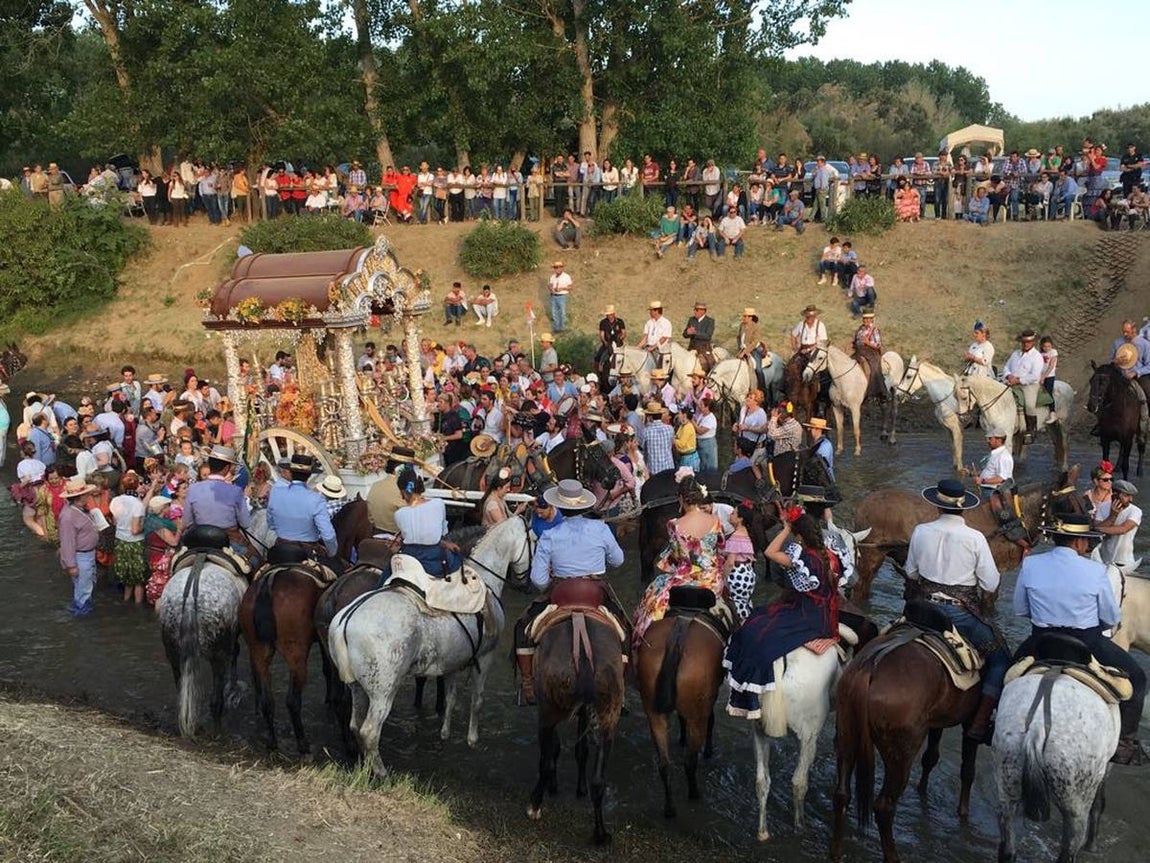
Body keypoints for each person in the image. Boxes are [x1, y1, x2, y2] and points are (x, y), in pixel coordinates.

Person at [1013, 513, 1146, 765]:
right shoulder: (1096, 570)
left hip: (1041, 641)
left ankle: (990, 721)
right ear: (1077, 543)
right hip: (1086, 643)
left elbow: (1020, 610)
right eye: (1085, 541)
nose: (1087, 545)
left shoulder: (1031, 564)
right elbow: (1110, 617)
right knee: (1138, 679)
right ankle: (1124, 744)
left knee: (1002, 673)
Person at [904, 478, 1009, 742]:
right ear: (963, 508)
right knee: (1000, 660)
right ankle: (980, 722)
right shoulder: (975, 538)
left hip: (922, 611)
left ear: (937, 505)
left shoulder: (920, 531)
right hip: (959, 616)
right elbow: (991, 583)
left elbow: (911, 573)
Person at [514, 479, 625, 704]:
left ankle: (527, 684)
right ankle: (620, 689)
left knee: (522, 628)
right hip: (595, 596)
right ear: (583, 504)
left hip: (561, 597)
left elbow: (538, 581)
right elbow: (619, 560)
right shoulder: (601, 528)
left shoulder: (549, 535)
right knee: (626, 632)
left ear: (560, 506)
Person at [723, 504, 839, 719]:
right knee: (759, 618)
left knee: (756, 630)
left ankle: (749, 692)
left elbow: (769, 552)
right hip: (818, 613)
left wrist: (785, 529)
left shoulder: (803, 559)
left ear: (800, 537)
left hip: (806, 614)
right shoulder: (827, 554)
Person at [633, 475, 726, 648]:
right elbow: (720, 547)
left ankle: (639, 644)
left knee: (650, 602)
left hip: (684, 578)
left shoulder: (674, 524)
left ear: (681, 498)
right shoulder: (715, 520)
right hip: (711, 580)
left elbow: (675, 557)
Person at [390, 467, 459, 577]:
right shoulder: (438, 503)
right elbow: (440, 535)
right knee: (459, 561)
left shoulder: (399, 514)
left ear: (403, 492)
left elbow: (409, 537)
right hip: (435, 559)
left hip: (410, 559)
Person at [266, 454, 337, 559]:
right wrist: (332, 553)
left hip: (280, 549)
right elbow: (328, 535)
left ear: (291, 473)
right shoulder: (316, 499)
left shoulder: (276, 493)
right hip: (307, 552)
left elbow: (271, 524)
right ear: (309, 476)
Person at [183, 445, 251, 555]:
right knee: (255, 561)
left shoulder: (193, 488)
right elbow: (245, 523)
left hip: (200, 539)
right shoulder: (235, 491)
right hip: (228, 541)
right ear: (226, 468)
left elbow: (187, 522)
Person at [57, 478, 101, 616]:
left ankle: (81, 610)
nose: (89, 496)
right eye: (86, 494)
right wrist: (71, 565)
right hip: (81, 556)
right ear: (80, 496)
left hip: (87, 554)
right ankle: (82, 614)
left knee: (86, 586)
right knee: (83, 589)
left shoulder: (78, 510)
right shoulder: (69, 516)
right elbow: (67, 542)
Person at [110, 472, 149, 603]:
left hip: (120, 541)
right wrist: (145, 524)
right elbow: (135, 530)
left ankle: (126, 602)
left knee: (127, 579)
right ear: (137, 485)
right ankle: (138, 609)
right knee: (138, 580)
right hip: (135, 543)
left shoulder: (115, 501)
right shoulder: (137, 504)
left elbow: (115, 522)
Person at [1002, 329, 1044, 442]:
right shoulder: (1015, 354)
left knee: (1029, 404)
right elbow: (1006, 367)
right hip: (1012, 382)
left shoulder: (1037, 356)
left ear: (1033, 342)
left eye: (1028, 342)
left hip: (1028, 385)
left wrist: (1019, 380)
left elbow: (1034, 375)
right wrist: (1009, 376)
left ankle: (1031, 430)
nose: (1026, 344)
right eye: (1024, 342)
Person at [1095, 479, 1141, 570]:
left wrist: (1097, 529)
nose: (1130, 499)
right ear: (1115, 494)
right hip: (1103, 559)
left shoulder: (1135, 511)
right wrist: (1112, 516)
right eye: (1126, 496)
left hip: (1124, 562)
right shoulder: (1102, 506)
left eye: (1131, 496)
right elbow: (1097, 529)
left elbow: (1123, 529)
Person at [736, 307, 767, 393]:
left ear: (750, 317)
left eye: (746, 316)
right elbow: (739, 337)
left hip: (754, 350)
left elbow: (754, 341)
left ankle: (762, 388)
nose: (744, 318)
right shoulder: (742, 325)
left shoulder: (755, 326)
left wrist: (746, 351)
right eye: (744, 316)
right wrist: (740, 349)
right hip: (742, 349)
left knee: (758, 369)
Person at [638, 300, 672, 369]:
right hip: (648, 347)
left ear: (656, 311)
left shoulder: (666, 323)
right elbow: (645, 337)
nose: (650, 313)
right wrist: (638, 347)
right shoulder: (649, 323)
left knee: (657, 366)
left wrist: (653, 347)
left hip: (660, 350)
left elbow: (664, 338)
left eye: (651, 311)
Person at [642, 401, 674, 475]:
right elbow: (672, 444)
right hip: (668, 466)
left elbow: (642, 448)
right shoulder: (670, 428)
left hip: (654, 469)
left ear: (649, 416)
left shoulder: (646, 431)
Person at [595, 304, 627, 375]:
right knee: (598, 356)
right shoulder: (603, 322)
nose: (609, 316)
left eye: (610, 314)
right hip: (608, 343)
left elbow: (624, 333)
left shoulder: (620, 321)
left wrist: (620, 338)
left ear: (613, 314)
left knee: (626, 355)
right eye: (608, 315)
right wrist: (605, 342)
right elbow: (602, 334)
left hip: (618, 343)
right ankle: (598, 372)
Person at [682, 301, 715, 366]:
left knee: (710, 363)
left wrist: (695, 333)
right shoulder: (691, 320)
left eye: (696, 310)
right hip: (691, 348)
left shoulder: (710, 321)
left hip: (704, 349)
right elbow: (684, 334)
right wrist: (687, 332)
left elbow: (708, 336)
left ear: (703, 311)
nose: (694, 311)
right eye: (694, 309)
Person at [805, 416, 835, 482]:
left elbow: (821, 464)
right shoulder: (816, 443)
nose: (809, 430)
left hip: (825, 480)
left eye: (812, 428)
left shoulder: (825, 445)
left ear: (818, 429)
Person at [548, 260, 573, 333]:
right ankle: (556, 328)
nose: (557, 269)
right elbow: (550, 285)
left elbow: (570, 287)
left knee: (562, 312)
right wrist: (551, 288)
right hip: (554, 296)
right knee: (554, 313)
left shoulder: (566, 276)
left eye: (558, 267)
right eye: (555, 267)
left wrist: (561, 288)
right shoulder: (552, 277)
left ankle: (562, 328)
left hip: (562, 296)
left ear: (562, 268)